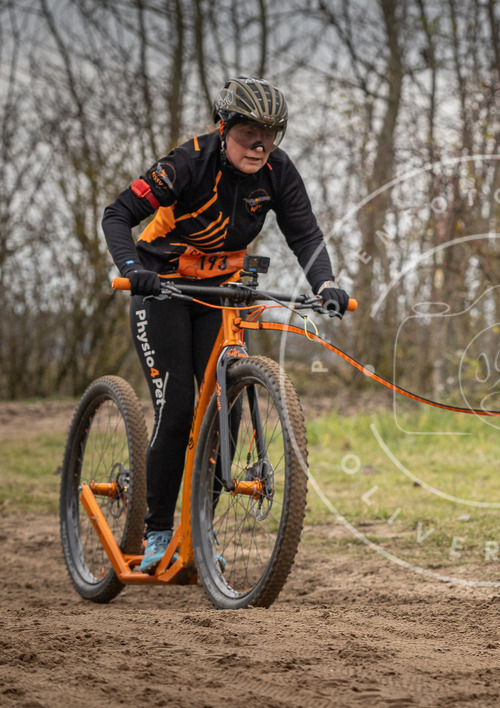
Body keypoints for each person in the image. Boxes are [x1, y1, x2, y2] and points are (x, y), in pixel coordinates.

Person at [102, 76, 348, 573]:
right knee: (178, 411)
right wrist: (134, 271)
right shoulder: (187, 163)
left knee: (226, 413)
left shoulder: (278, 170)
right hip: (164, 291)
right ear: (223, 127)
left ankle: (200, 527)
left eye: (270, 134)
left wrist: (325, 285)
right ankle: (156, 531)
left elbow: (306, 235)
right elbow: (117, 214)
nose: (260, 144)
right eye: (248, 133)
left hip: (222, 293)